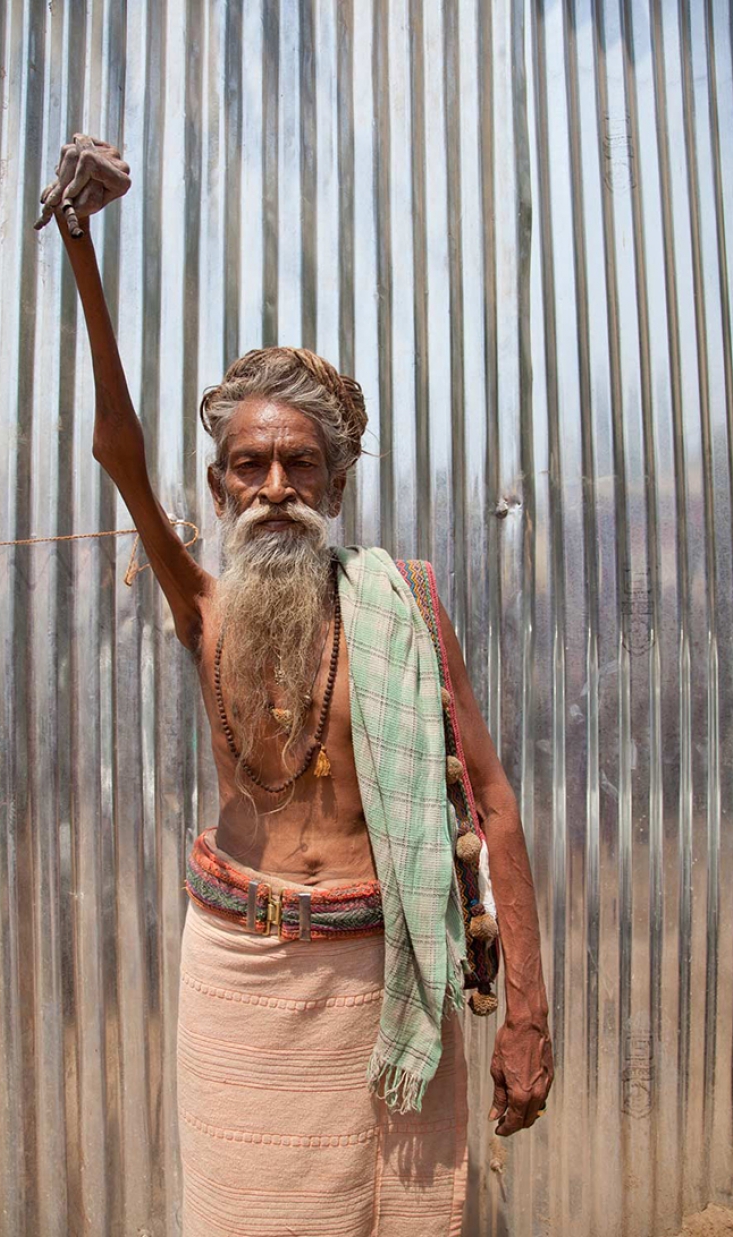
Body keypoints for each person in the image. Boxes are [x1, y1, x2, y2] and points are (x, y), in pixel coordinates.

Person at [37, 135, 553, 1236]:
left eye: (299, 463)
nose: (275, 485)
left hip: (380, 980)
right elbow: (119, 452)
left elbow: (494, 802)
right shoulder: (205, 609)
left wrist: (529, 1014)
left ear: (337, 478)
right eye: (249, 466)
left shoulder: (402, 605)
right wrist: (80, 243)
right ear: (221, 488)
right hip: (239, 974)